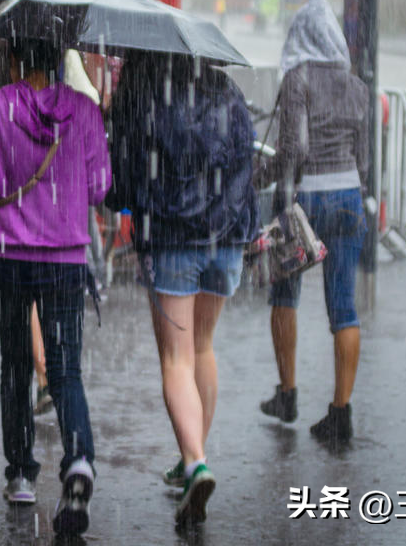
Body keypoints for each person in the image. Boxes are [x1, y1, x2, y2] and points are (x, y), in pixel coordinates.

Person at [0, 35, 110, 537]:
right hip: (64, 257)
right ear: (61, 60)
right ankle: (80, 458)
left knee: (17, 362)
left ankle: (21, 473)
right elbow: (100, 187)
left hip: (5, 258)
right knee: (65, 371)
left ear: (18, 59)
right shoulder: (84, 112)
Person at [105, 51, 257, 527]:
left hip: (173, 238)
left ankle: (194, 462)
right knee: (204, 347)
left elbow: (122, 179)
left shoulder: (143, 94)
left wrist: (119, 196)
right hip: (226, 236)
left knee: (176, 358)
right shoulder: (226, 91)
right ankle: (195, 457)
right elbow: (245, 160)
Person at [0, 0, 100, 414]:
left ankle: (36, 383)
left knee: (16, 301)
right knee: (50, 284)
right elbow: (84, 95)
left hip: (1, 186)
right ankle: (50, 377)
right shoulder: (50, 33)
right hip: (54, 187)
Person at [259, 0, 370, 445]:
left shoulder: (297, 79)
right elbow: (363, 160)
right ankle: (340, 414)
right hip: (347, 198)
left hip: (304, 201)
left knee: (284, 294)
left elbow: (294, 151)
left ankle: (287, 394)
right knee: (343, 307)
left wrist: (258, 176)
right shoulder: (357, 86)